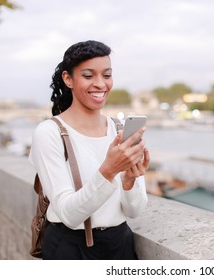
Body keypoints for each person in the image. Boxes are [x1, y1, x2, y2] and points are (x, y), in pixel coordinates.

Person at [29, 40, 149, 260]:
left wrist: (129, 182)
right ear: (68, 79)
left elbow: (134, 211)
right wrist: (109, 171)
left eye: (107, 75)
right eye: (88, 75)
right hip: (70, 249)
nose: (100, 84)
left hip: (120, 245)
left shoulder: (119, 130)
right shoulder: (49, 133)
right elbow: (68, 214)